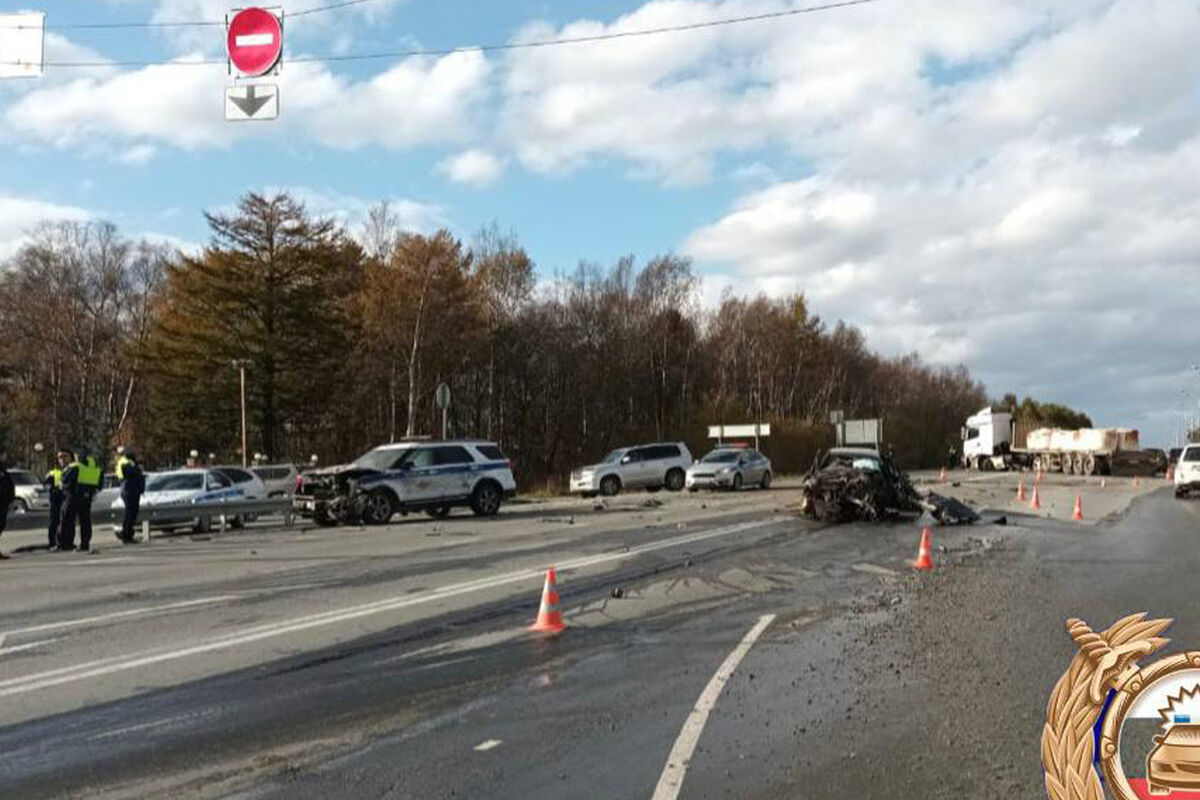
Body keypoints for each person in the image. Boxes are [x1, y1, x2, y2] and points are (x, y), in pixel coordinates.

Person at [59, 447, 102, 553]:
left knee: (67, 520)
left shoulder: (75, 466)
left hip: (73, 496)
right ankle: (85, 544)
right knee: (85, 521)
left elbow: (65, 481)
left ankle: (66, 544)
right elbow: (100, 483)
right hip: (87, 497)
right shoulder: (95, 466)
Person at [116, 447, 145, 544]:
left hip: (133, 489)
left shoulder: (131, 463)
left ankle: (128, 534)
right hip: (128, 488)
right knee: (129, 513)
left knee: (133, 513)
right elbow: (132, 473)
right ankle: (126, 535)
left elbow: (139, 475)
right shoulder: (125, 462)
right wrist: (137, 468)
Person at [44, 451, 69, 550]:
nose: (62, 460)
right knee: (54, 521)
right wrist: (54, 490)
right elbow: (46, 485)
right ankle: (52, 542)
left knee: (64, 521)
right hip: (55, 500)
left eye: (64, 457)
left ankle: (63, 541)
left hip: (64, 499)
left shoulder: (67, 470)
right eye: (60, 458)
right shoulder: (52, 473)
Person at [0, 451, 13, 560]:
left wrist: (10, 499)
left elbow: (9, 485)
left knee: (1, 525)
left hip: (3, 503)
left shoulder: (4, 471)